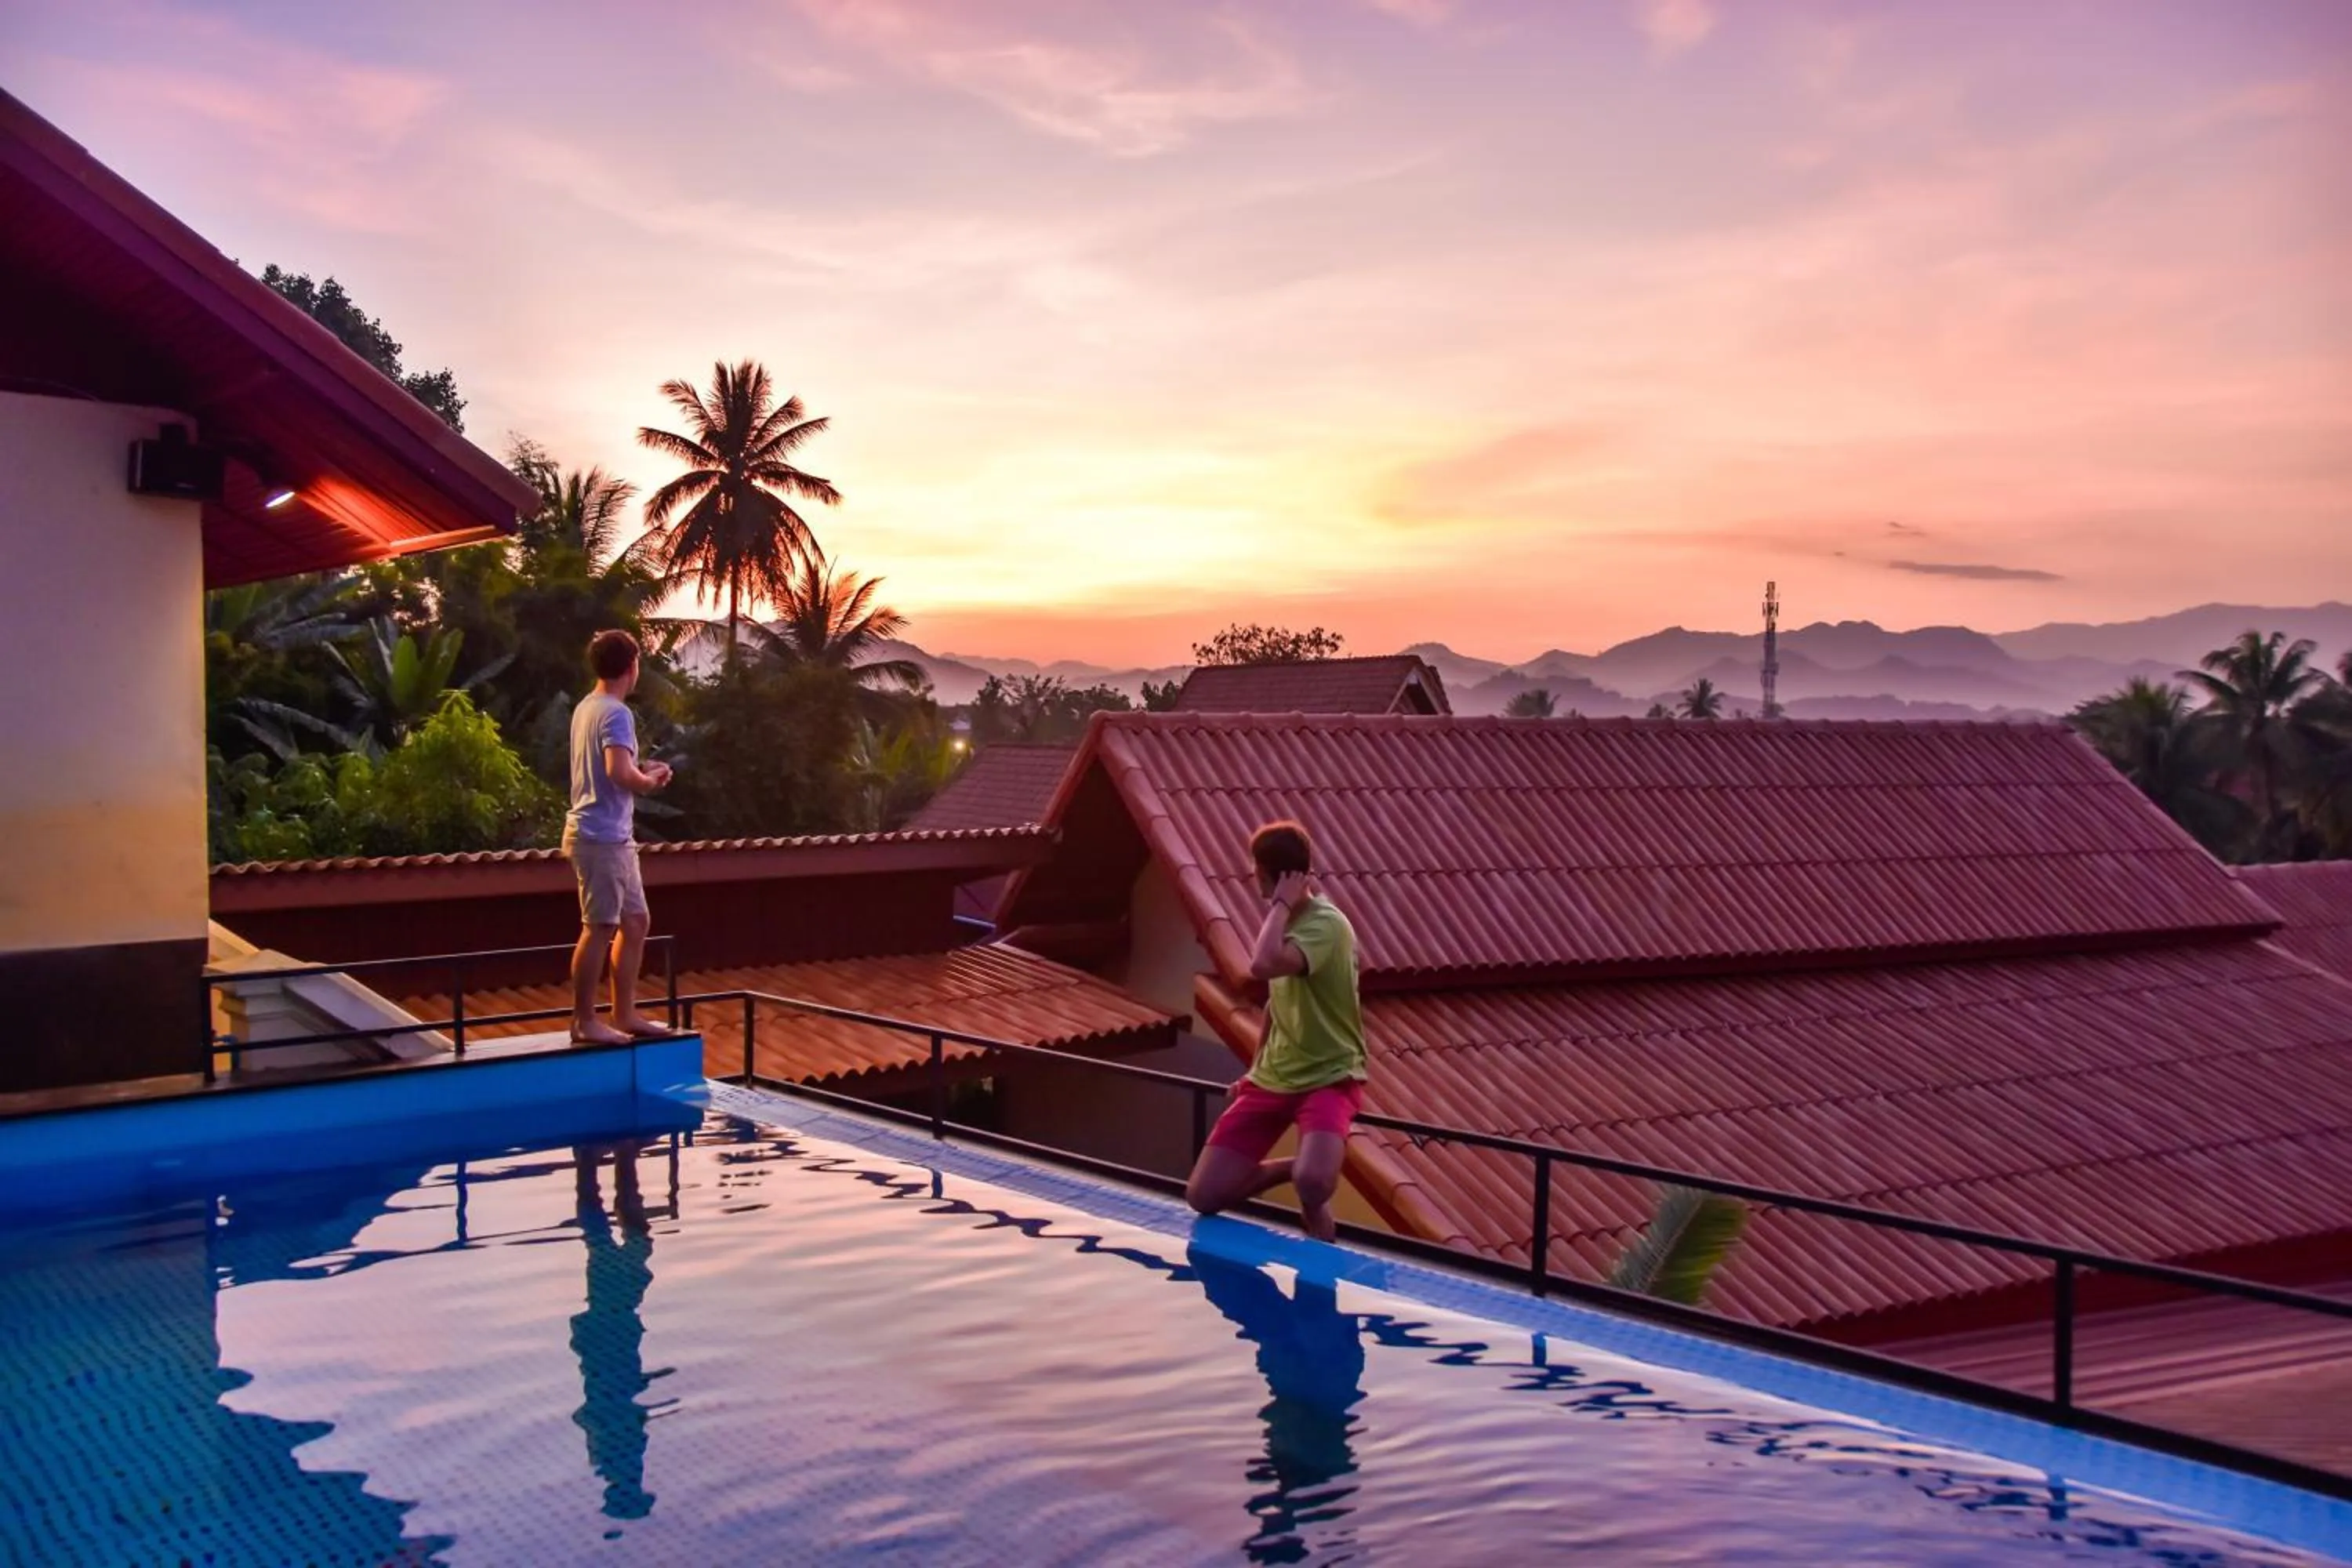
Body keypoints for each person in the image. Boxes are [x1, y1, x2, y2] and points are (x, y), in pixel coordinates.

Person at [1185, 820, 1367, 1242]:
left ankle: (1310, 1179)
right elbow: (1275, 1002)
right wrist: (1254, 1069)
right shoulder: (1284, 925)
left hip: (1328, 1076)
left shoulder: (1326, 926)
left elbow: (1261, 966)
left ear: (1275, 875)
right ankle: (1299, 1167)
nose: (1253, 878)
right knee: (1204, 1196)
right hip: (1274, 1078)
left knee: (1316, 1186)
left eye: (1256, 870)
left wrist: (1282, 906)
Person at [565, 630, 675, 1045]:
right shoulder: (615, 713)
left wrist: (640, 769)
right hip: (601, 836)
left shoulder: (587, 707)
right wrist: (648, 782)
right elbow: (617, 773)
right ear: (631, 666)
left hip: (609, 836)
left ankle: (624, 1013)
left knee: (635, 921)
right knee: (600, 926)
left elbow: (610, 765)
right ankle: (584, 1021)